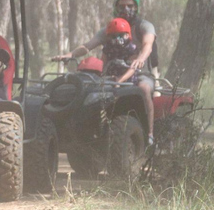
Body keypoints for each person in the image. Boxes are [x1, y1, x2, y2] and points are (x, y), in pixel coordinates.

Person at [52, 15, 155, 146]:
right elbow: (102, 62)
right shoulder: (108, 48)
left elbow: (133, 67)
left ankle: (150, 132)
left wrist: (120, 80)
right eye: (113, 36)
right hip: (111, 79)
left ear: (127, 35)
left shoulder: (132, 48)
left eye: (121, 36)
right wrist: (95, 75)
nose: (117, 39)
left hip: (128, 79)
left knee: (144, 89)